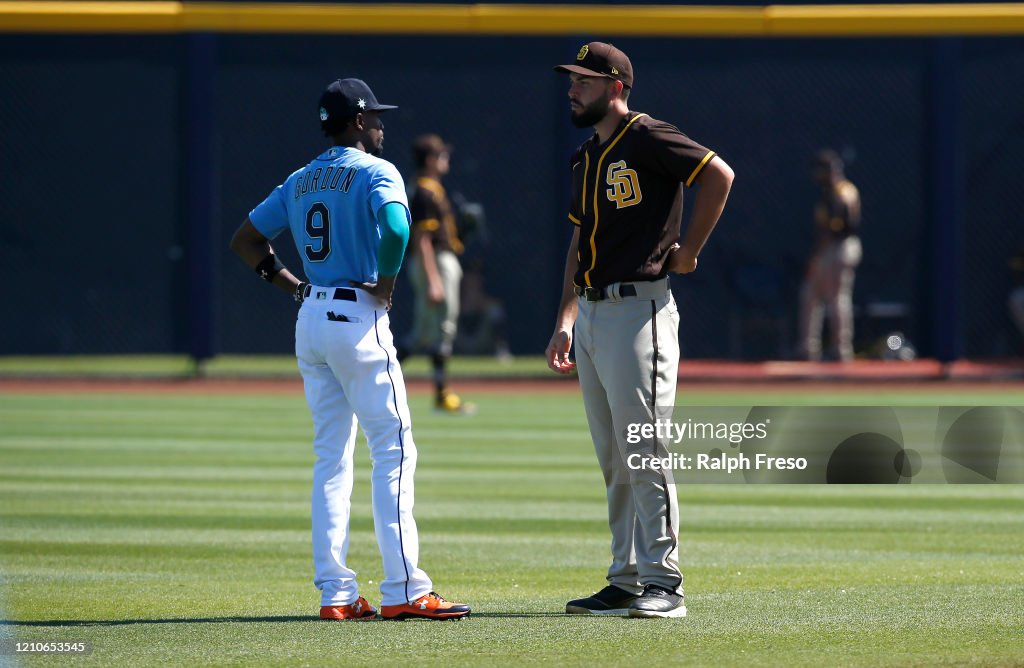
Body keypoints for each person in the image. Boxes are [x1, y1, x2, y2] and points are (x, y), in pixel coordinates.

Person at [229, 78, 470, 622]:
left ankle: (335, 594)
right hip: (357, 316)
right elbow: (394, 225)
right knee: (394, 449)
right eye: (376, 117)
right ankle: (406, 589)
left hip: (310, 316)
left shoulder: (300, 178)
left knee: (331, 458)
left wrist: (290, 284)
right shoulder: (376, 171)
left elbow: (245, 240)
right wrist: (386, 282)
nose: (383, 125)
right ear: (358, 122)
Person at [546, 42, 734, 618]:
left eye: (584, 79)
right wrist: (565, 319)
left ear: (615, 85)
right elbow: (581, 242)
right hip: (596, 312)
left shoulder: (649, 136)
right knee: (614, 456)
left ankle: (665, 583)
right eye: (571, 79)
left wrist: (691, 251)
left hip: (640, 310)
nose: (573, 87)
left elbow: (719, 176)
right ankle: (626, 577)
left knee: (644, 449)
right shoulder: (587, 154)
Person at [398, 134, 474, 414]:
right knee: (434, 332)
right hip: (434, 263)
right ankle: (441, 394)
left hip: (438, 260)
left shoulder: (431, 189)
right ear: (430, 160)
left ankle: (440, 393)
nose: (446, 160)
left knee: (428, 333)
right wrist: (433, 280)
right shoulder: (424, 191)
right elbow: (422, 239)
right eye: (442, 155)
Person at [797, 148, 862, 362]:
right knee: (810, 295)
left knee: (836, 299)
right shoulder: (831, 192)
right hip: (832, 249)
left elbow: (835, 226)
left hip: (838, 247)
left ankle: (841, 350)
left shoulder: (842, 191)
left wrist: (816, 257)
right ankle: (809, 349)